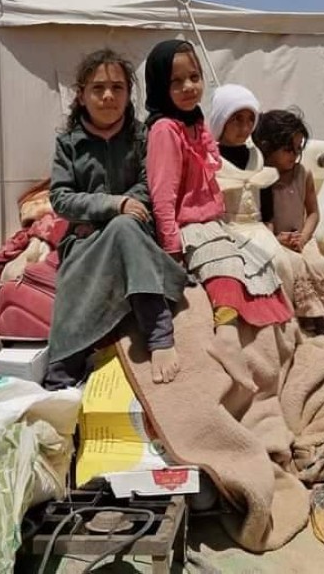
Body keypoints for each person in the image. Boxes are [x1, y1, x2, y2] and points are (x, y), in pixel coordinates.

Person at [144, 40, 292, 391]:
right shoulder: (165, 129)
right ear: (160, 86)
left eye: (194, 77)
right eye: (176, 81)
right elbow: (163, 195)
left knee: (260, 264)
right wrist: (172, 249)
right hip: (188, 225)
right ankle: (225, 337)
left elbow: (210, 163)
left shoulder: (195, 122)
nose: (188, 87)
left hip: (212, 221)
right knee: (224, 264)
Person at [43, 48, 186, 389]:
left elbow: (151, 185)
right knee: (93, 258)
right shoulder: (69, 144)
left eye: (117, 87)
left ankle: (159, 336)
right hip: (86, 238)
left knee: (124, 228)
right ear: (82, 95)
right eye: (98, 88)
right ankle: (64, 370)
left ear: (128, 93)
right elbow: (60, 198)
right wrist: (112, 204)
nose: (108, 96)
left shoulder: (142, 136)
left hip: (135, 231)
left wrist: (124, 209)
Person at [249, 108, 324, 329]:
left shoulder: (303, 174)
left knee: (318, 265)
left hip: (302, 238)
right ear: (267, 147)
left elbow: (313, 213)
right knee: (295, 268)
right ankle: (306, 317)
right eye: (287, 149)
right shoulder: (260, 178)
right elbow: (256, 219)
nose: (294, 154)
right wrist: (276, 240)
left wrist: (303, 237)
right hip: (275, 240)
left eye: (298, 148)